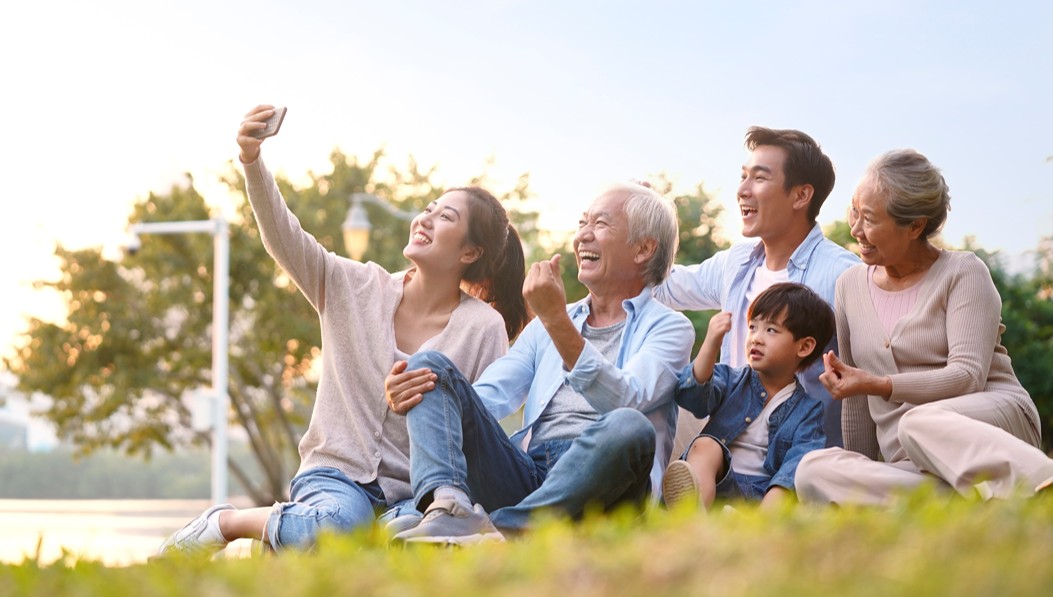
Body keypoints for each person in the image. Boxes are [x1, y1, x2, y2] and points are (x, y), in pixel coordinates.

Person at [156, 104, 529, 556]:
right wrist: (252, 161)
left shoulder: (483, 327)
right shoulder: (353, 285)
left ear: (470, 252)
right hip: (334, 477)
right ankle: (227, 522)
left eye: (446, 217)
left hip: (412, 494)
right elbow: (284, 236)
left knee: (407, 539)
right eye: (428, 209)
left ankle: (291, 536)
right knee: (338, 526)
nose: (425, 219)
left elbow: (476, 430)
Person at [383, 182, 695, 543]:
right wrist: (434, 397)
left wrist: (556, 320)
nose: (583, 236)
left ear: (643, 249)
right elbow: (487, 396)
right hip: (531, 472)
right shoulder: (546, 325)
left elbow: (626, 399)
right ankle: (448, 508)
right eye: (582, 223)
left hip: (608, 478)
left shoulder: (671, 327)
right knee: (431, 367)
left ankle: (497, 529)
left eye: (600, 224)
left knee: (630, 425)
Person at [795, 149, 1053, 505]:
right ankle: (959, 500)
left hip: (991, 424)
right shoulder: (849, 286)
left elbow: (967, 376)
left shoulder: (963, 272)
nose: (855, 229)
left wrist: (880, 384)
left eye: (869, 219)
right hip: (911, 460)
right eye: (855, 211)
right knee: (813, 470)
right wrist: (860, 467)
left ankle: (1041, 479)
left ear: (915, 226)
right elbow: (856, 402)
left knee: (918, 422)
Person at [654, 127, 858, 453]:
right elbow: (661, 286)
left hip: (797, 451)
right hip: (729, 436)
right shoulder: (737, 262)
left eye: (759, 178)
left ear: (801, 196)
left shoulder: (844, 275)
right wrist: (642, 220)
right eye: (743, 176)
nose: (742, 190)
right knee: (658, 398)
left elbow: (872, 372)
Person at [662, 283, 833, 511]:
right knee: (705, 445)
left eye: (771, 330)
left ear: (804, 347)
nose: (756, 338)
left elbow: (797, 463)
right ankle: (694, 514)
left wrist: (774, 499)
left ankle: (759, 523)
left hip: (765, 494)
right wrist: (711, 343)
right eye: (753, 327)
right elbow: (691, 397)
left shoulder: (808, 410)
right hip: (717, 483)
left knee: (794, 473)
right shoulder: (731, 380)